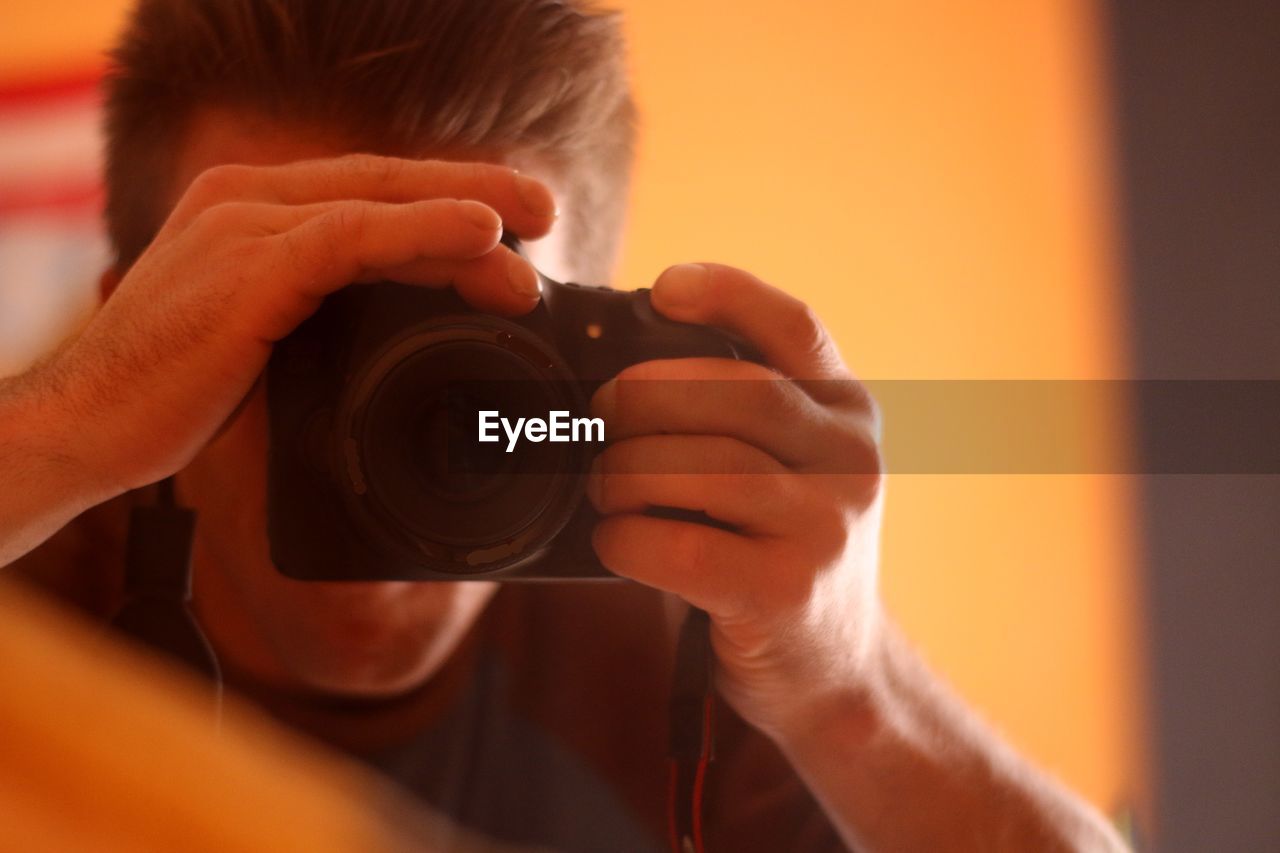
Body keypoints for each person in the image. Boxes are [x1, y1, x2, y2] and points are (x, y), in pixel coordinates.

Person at [0, 1, 1127, 850]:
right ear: (139, 333)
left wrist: (852, 691)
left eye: (462, 358)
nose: (371, 439)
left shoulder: (689, 634)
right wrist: (46, 443)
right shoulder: (28, 581)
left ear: (588, 348)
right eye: (296, 334)